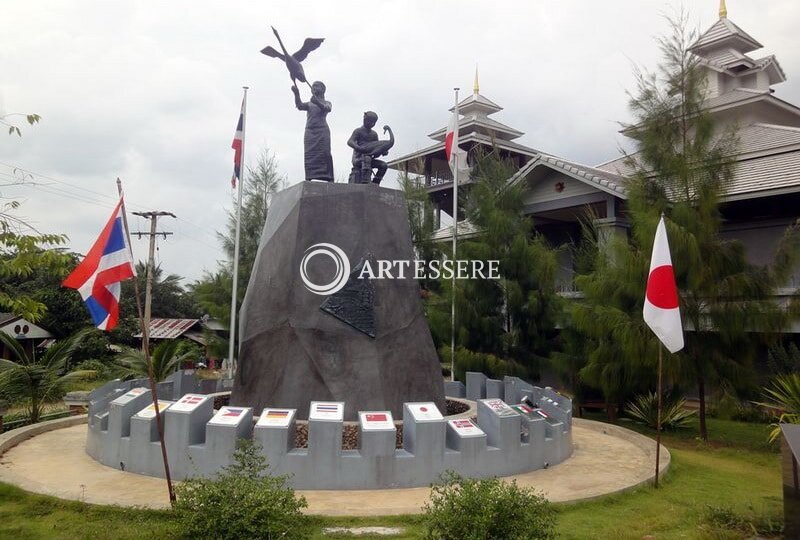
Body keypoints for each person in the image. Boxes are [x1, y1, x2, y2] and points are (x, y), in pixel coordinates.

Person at [292, 81, 334, 182]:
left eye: (317, 86)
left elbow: (327, 108)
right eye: (313, 86)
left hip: (322, 131)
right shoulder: (310, 103)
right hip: (310, 132)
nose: (314, 87)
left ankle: (329, 176)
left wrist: (317, 102)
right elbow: (300, 106)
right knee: (309, 154)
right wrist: (296, 94)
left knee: (325, 153)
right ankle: (309, 176)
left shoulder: (327, 102)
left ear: (323, 89)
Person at [347, 111, 394, 184]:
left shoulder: (374, 134)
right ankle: (365, 182)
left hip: (369, 159)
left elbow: (376, 149)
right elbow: (350, 141)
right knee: (367, 158)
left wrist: (383, 151)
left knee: (383, 165)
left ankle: (375, 183)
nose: (372, 124)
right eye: (369, 121)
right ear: (365, 120)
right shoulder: (358, 131)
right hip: (358, 159)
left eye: (373, 122)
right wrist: (359, 148)